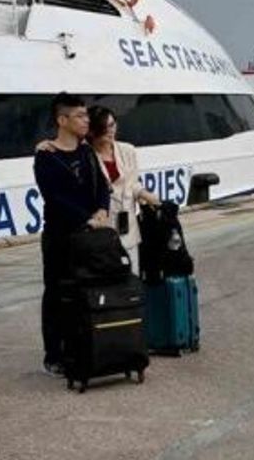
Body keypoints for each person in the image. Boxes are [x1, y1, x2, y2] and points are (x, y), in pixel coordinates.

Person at [33, 93, 111, 377]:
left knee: (87, 290)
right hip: (60, 236)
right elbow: (54, 197)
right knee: (56, 293)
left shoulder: (87, 152)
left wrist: (102, 209)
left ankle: (84, 345)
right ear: (62, 120)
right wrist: (86, 218)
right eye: (79, 116)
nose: (86, 121)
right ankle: (54, 354)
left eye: (86, 116)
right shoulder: (46, 156)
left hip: (91, 234)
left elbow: (102, 185)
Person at [85, 105, 160, 276]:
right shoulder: (86, 156)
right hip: (102, 226)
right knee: (108, 279)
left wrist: (144, 194)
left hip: (127, 223)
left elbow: (132, 183)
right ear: (93, 131)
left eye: (112, 125)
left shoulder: (127, 151)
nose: (110, 131)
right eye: (104, 128)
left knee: (132, 276)